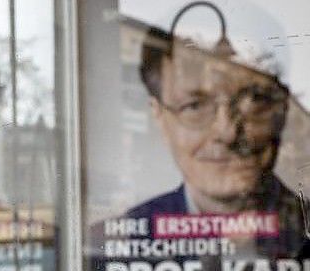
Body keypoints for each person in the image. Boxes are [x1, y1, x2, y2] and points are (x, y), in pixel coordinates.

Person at [120, 24, 308, 257]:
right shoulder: (118, 245)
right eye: (195, 106)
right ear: (159, 116)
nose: (227, 132)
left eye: (254, 101)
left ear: (282, 110)